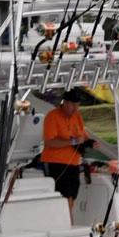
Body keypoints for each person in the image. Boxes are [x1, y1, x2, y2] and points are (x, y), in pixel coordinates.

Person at [40, 89, 98, 224]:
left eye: (78, 105)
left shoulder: (77, 117)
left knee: (72, 198)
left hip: (73, 163)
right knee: (66, 200)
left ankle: (65, 227)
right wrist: (71, 141)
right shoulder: (52, 116)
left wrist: (90, 143)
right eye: (73, 105)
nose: (75, 108)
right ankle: (69, 229)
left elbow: (82, 136)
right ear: (65, 103)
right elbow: (49, 141)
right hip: (55, 163)